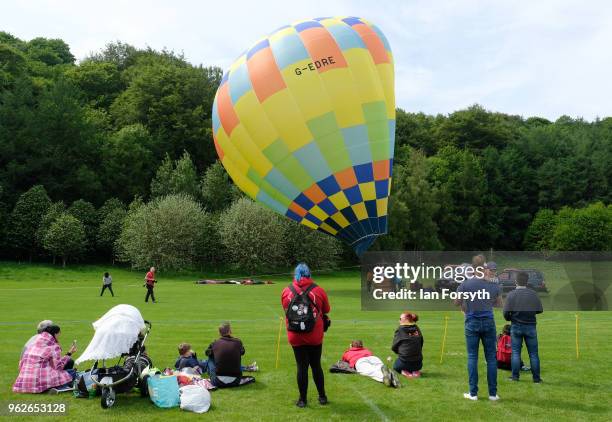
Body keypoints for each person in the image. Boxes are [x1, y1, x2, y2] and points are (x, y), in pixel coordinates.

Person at [281, 263, 330, 408]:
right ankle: (322, 397)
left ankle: (302, 400)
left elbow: (285, 308)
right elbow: (327, 309)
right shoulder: (318, 290)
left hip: (295, 334)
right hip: (314, 334)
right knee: (316, 366)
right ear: (309, 274)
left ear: (295, 274)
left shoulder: (286, 291)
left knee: (301, 367)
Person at [455, 254, 502, 401]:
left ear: (472, 267)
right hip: (488, 322)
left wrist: (465, 306)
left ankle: (473, 393)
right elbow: (500, 304)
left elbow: (456, 302)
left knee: (472, 357)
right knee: (491, 359)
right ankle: (493, 394)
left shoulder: (465, 284)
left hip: (472, 322)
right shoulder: (494, 285)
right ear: (485, 267)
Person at [503, 271, 543, 383]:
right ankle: (536, 379)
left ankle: (515, 377)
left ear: (516, 281)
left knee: (515, 352)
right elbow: (540, 310)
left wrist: (510, 318)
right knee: (533, 353)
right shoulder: (533, 294)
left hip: (516, 326)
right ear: (527, 281)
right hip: (530, 326)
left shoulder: (511, 294)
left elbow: (506, 313)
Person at [13, 325, 78, 394]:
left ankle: (54, 386)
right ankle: (58, 387)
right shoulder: (54, 346)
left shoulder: (33, 344)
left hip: (24, 381)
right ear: (55, 334)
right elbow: (59, 367)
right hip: (40, 380)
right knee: (72, 372)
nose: (59, 336)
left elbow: (22, 364)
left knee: (65, 372)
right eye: (59, 334)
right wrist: (69, 353)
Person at [200, 323, 255, 388]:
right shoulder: (238, 342)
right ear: (230, 331)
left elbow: (207, 353)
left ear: (219, 333)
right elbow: (242, 352)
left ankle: (207, 372)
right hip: (236, 380)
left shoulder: (215, 343)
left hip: (217, 381)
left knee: (210, 358)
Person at [175, 342, 258, 373]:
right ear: (186, 352)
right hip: (207, 366)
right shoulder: (189, 359)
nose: (191, 351)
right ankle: (248, 368)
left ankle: (248, 367)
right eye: (190, 350)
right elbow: (197, 367)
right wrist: (194, 355)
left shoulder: (179, 359)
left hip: (205, 363)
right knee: (225, 365)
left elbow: (177, 366)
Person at [391, 312, 424, 378]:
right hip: (418, 363)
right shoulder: (416, 327)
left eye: (400, 319)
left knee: (395, 366)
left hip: (404, 362)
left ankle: (406, 371)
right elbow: (421, 342)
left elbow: (394, 346)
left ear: (405, 320)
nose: (399, 320)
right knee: (411, 362)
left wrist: (400, 352)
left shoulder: (400, 329)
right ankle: (415, 371)